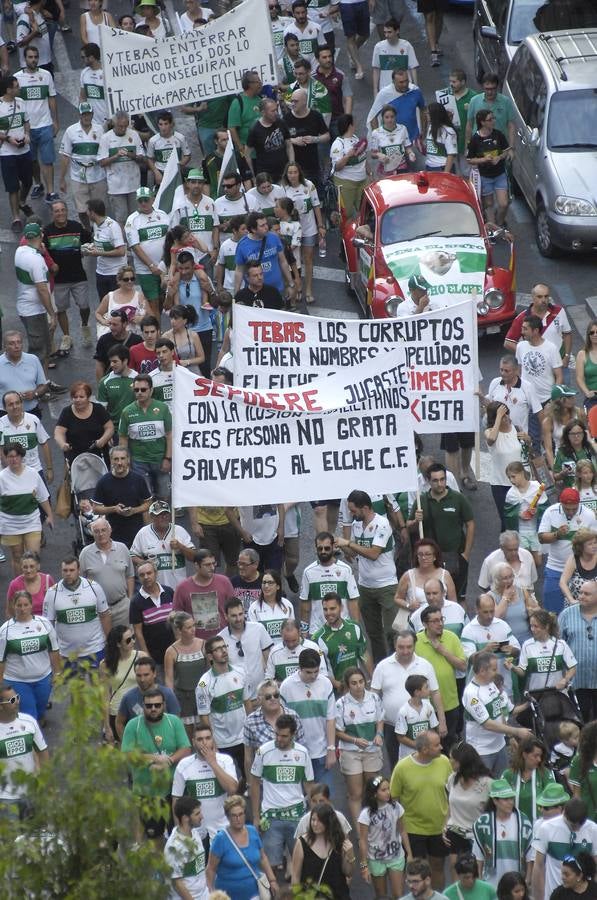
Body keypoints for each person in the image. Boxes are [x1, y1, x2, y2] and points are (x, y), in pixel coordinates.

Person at [333, 489, 397, 665]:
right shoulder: (356, 526)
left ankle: (398, 663)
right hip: (365, 586)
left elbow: (374, 553)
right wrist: (338, 545)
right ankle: (380, 666)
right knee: (373, 633)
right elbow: (353, 553)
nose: (351, 514)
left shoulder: (382, 524)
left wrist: (349, 543)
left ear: (366, 508)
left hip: (387, 585)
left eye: (354, 511)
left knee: (393, 630)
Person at [120, 686, 191, 843]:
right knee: (154, 837)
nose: (153, 709)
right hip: (147, 792)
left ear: (164, 705)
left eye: (157, 705)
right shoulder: (133, 725)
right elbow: (126, 755)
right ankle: (159, 864)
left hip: (174, 791)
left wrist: (169, 762)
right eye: (149, 706)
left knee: (179, 832)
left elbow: (186, 748)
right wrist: (154, 758)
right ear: (143, 706)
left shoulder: (174, 722)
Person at [250, 713, 314, 880]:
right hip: (271, 817)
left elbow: (309, 786)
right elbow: (255, 783)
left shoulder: (303, 753)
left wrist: (315, 814)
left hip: (297, 816)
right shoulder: (263, 752)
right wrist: (256, 817)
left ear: (293, 734)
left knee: (303, 863)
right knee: (270, 866)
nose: (279, 739)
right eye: (277, 734)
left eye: (284, 736)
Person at [372, 629, 446, 770]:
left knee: (427, 765)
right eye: (401, 647)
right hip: (392, 727)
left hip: (423, 726)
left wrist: (441, 721)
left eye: (409, 647)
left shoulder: (425, 665)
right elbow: (374, 697)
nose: (405, 651)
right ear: (394, 645)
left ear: (414, 645)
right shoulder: (382, 666)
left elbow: (435, 693)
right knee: (398, 767)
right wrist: (377, 728)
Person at [390, 730, 453, 889]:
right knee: (417, 871)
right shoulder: (402, 767)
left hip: (439, 828)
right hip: (413, 829)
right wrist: (398, 829)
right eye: (437, 745)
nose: (441, 747)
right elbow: (394, 799)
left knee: (437, 867)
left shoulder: (445, 762)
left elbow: (453, 791)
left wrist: (449, 820)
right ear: (425, 750)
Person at [411, 463, 475, 600]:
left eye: (442, 479)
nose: (440, 484)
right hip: (430, 560)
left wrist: (466, 554)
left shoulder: (458, 498)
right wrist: (416, 521)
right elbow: (409, 527)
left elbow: (470, 524)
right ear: (428, 481)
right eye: (435, 480)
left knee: (458, 597)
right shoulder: (421, 501)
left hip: (456, 557)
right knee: (433, 596)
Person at [462, 653, 532, 774]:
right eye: (494, 669)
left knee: (502, 785)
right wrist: (516, 732)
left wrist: (509, 737)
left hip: (499, 745)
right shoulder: (472, 693)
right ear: (482, 671)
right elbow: (487, 724)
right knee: (484, 786)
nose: (497, 672)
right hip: (482, 750)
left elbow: (500, 712)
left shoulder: (491, 685)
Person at [171, 722, 238, 845]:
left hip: (222, 828)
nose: (204, 742)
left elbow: (232, 789)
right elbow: (176, 800)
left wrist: (212, 762)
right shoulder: (183, 765)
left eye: (208, 738)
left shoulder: (225, 760)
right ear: (193, 742)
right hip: (195, 830)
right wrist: (179, 831)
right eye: (200, 739)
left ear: (213, 739)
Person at [195, 636, 252, 780]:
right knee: (229, 781)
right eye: (218, 649)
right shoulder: (203, 683)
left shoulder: (240, 672)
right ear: (210, 656)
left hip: (243, 737)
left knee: (249, 781)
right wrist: (212, 742)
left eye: (224, 647)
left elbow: (247, 702)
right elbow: (204, 716)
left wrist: (251, 731)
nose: (223, 651)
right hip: (222, 741)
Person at [43, 555, 111, 670]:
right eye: (65, 570)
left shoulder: (94, 587)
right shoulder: (52, 593)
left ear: (78, 570)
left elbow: (105, 616)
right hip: (66, 654)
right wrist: (54, 652)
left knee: (99, 686)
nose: (68, 573)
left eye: (71, 570)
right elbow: (48, 626)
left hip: (95, 649)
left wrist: (109, 643)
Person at [0, 589, 59, 721]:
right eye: (19, 605)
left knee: (40, 709)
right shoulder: (5, 630)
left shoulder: (44, 624)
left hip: (44, 678)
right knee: (30, 715)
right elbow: (1, 660)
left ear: (31, 605)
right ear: (13, 606)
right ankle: (32, 737)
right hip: (18, 680)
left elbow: (54, 650)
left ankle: (37, 720)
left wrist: (58, 673)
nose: (22, 609)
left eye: (26, 605)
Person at [205, 794, 279, 899]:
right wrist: (211, 892)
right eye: (234, 815)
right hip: (228, 895)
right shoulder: (220, 839)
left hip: (254, 893)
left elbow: (263, 857)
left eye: (241, 814)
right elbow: (211, 869)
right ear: (227, 817)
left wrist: (272, 880)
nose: (238, 818)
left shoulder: (252, 831)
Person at [335, 666, 385, 823]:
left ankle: (375, 822)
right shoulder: (341, 704)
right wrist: (355, 740)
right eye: (354, 683)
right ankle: (359, 831)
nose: (358, 686)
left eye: (361, 682)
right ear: (348, 685)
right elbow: (337, 731)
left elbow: (380, 720)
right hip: (351, 752)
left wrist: (379, 734)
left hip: (372, 750)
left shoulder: (374, 698)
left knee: (373, 790)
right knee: (355, 793)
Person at [43, 199, 93, 353]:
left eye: (63, 210)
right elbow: (43, 252)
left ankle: (84, 325)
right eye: (57, 211)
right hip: (58, 279)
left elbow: (88, 240)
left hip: (78, 275)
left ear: (66, 211)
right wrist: (51, 266)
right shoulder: (47, 231)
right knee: (61, 309)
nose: (60, 213)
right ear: (52, 214)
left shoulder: (76, 227)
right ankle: (66, 336)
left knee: (84, 306)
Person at [280, 647, 336, 784]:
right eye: (308, 672)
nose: (313, 676)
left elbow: (330, 719)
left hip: (321, 752)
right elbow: (282, 722)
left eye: (316, 671)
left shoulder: (326, 684)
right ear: (300, 668)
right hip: (296, 752)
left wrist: (331, 749)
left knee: (323, 799)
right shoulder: (286, 687)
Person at [415, 606, 466, 752]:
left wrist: (443, 651)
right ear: (425, 624)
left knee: (448, 745)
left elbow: (463, 666)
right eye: (435, 621)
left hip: (450, 703)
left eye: (441, 619)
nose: (440, 624)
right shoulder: (416, 641)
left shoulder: (451, 637)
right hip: (424, 705)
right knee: (426, 746)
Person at [539, 489, 597, 614]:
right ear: (561, 503)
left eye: (574, 509)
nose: (570, 512)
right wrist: (557, 534)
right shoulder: (551, 512)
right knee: (552, 613)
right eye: (567, 509)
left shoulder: (589, 515)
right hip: (555, 568)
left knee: (583, 612)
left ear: (579, 503)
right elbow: (541, 538)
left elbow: (595, 541)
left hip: (581, 571)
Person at [0, 442, 52, 575]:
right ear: (6, 458)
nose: (13, 459)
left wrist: (50, 515)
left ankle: (34, 585)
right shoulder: (1, 477)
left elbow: (43, 497)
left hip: (31, 521)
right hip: (10, 523)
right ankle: (20, 588)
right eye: (10, 456)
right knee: (17, 556)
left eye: (16, 456)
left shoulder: (33, 473)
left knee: (33, 555)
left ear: (21, 456)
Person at [14, 46, 58, 205]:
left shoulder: (46, 76)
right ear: (24, 59)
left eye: (35, 57)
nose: (33, 60)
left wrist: (55, 121)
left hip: (45, 124)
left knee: (48, 160)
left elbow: (52, 98)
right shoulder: (16, 78)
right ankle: (38, 183)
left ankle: (50, 191)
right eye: (30, 57)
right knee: (32, 160)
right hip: (27, 128)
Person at [118, 374, 172, 500]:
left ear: (151, 390)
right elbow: (123, 438)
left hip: (160, 460)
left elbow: (170, 435)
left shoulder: (163, 408)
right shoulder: (127, 411)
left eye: (143, 389)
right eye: (136, 390)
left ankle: (163, 520)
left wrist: (168, 459)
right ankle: (148, 521)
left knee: (164, 496)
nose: (139, 393)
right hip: (138, 462)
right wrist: (126, 461)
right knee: (144, 498)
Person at [532, 798, 597, 900]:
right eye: (572, 825)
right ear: (564, 814)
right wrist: (538, 898)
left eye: (580, 825)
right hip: (554, 895)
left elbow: (595, 865)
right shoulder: (547, 828)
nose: (577, 829)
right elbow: (538, 866)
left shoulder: (593, 829)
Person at [358, 774, 411, 898]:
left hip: (396, 856)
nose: (388, 792)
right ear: (374, 794)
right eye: (383, 790)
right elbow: (363, 841)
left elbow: (402, 830)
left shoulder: (396, 807)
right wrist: (364, 865)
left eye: (388, 789)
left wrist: (409, 854)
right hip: (376, 859)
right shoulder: (366, 814)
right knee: (381, 896)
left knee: (399, 895)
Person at [472, 779, 533, 886]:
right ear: (495, 801)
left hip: (516, 882)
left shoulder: (523, 821)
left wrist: (528, 879)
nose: (510, 802)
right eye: (505, 799)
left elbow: (530, 855)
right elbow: (478, 856)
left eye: (511, 798)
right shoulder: (483, 823)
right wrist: (479, 881)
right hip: (491, 882)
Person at [0, 681, 48, 816]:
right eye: (12, 700)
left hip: (31, 793)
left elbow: (43, 752)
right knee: (11, 837)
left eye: (17, 698)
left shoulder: (29, 721)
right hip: (5, 797)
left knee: (34, 835)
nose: (17, 702)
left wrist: (44, 781)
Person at [444, 744, 493, 877]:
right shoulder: (452, 779)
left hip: (477, 837)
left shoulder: (488, 783)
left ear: (462, 761)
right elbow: (450, 804)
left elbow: (493, 813)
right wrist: (445, 826)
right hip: (455, 834)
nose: (450, 761)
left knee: (475, 877)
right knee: (457, 879)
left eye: (452, 759)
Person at [280, 159, 325, 305]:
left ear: (299, 173)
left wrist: (320, 225)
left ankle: (308, 290)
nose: (292, 175)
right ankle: (297, 288)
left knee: (309, 258)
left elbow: (316, 206)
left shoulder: (309, 185)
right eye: (290, 173)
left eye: (295, 172)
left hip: (309, 227)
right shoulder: (284, 189)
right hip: (291, 230)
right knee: (294, 260)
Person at [14, 222, 56, 375]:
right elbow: (42, 290)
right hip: (34, 311)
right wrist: (52, 313)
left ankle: (43, 382)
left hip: (25, 307)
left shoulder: (20, 251)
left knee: (42, 349)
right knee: (40, 352)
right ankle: (37, 386)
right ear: (41, 235)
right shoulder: (36, 260)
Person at [77, 517, 134, 628]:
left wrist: (130, 599)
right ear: (92, 534)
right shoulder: (85, 553)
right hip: (97, 609)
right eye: (97, 531)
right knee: (102, 643)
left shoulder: (122, 548)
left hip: (122, 606)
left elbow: (130, 575)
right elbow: (80, 581)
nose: (101, 534)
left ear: (110, 530)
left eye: (103, 530)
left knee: (125, 642)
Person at [461, 594, 521, 698]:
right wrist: (485, 651)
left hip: (504, 687)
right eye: (485, 612)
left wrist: (511, 650)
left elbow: (518, 652)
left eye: (492, 611)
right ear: (477, 610)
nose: (489, 616)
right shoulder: (468, 630)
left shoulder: (503, 625)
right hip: (480, 692)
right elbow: (470, 659)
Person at [243, 676, 305, 777]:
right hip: (264, 779)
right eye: (268, 697)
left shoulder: (293, 716)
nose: (273, 699)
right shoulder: (250, 721)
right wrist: (250, 784)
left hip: (292, 776)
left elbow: (302, 748)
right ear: (259, 700)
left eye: (276, 695)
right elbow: (248, 758)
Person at [92, 445, 151, 548]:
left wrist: (133, 510)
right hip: (114, 534)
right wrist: (114, 509)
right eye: (116, 459)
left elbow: (148, 503)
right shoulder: (103, 482)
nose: (119, 463)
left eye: (122, 459)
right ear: (111, 461)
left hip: (137, 532)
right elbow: (96, 509)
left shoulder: (138, 479)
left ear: (128, 460)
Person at [291, 801, 354, 894]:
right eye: (313, 820)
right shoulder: (302, 843)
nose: (315, 824)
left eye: (320, 821)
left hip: (337, 894)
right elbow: (295, 876)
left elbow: (348, 872)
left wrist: (351, 855)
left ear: (328, 822)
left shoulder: (339, 840)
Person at [130, 499, 195, 591]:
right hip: (154, 589)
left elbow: (194, 557)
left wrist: (180, 547)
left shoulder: (179, 531)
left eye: (166, 514)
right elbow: (132, 555)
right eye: (159, 515)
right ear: (152, 517)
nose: (164, 517)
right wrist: (145, 564)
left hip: (179, 588)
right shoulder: (143, 533)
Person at [125, 187, 170, 316]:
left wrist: (163, 262)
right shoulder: (132, 220)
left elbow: (169, 240)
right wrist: (151, 265)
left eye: (146, 200)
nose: (143, 203)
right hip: (145, 270)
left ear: (153, 199)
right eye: (140, 201)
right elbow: (135, 246)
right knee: (153, 304)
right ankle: (156, 335)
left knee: (164, 302)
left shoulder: (163, 215)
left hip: (164, 267)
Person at [233, 212, 296, 304]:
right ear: (253, 229)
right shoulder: (242, 245)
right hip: (255, 293)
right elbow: (239, 271)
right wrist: (236, 296)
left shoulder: (274, 238)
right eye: (262, 226)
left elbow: (283, 262)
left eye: (266, 224)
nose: (266, 227)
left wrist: (291, 284)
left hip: (277, 290)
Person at [218, 598, 273, 700]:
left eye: (240, 614)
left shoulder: (258, 629)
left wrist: (269, 683)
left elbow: (269, 658)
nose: (238, 618)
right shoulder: (221, 638)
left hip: (260, 694)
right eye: (234, 616)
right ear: (226, 616)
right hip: (237, 695)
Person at [313, 592, 371, 689]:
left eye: (332, 608)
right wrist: (339, 686)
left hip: (357, 687)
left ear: (341, 608)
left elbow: (364, 654)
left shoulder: (354, 627)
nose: (328, 613)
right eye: (325, 609)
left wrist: (371, 679)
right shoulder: (317, 638)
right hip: (336, 691)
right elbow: (319, 670)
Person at [115, 655, 181, 739]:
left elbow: (177, 722)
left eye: (146, 675)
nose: (142, 679)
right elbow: (119, 723)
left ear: (154, 674)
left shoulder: (168, 694)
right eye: (139, 675)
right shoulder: (128, 697)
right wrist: (128, 743)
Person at [174, 550, 235, 641]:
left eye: (213, 563)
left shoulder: (224, 582)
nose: (212, 567)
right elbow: (176, 619)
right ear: (196, 566)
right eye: (207, 565)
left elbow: (233, 609)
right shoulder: (182, 587)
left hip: (223, 640)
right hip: (195, 642)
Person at [97, 112, 145, 227]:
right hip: (116, 187)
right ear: (114, 124)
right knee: (121, 218)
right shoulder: (106, 138)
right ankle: (124, 243)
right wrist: (116, 156)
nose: (123, 129)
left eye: (125, 125)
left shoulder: (134, 135)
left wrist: (130, 155)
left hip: (134, 184)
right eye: (120, 126)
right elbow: (102, 162)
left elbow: (142, 158)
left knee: (135, 217)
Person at [484, 402, 527, 529]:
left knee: (523, 518)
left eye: (507, 414)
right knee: (507, 520)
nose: (507, 418)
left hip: (520, 482)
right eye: (503, 416)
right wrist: (499, 416)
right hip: (500, 484)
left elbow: (524, 453)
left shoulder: (517, 429)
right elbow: (491, 440)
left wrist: (528, 440)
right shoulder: (490, 432)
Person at [514, 608, 577, 693]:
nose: (532, 629)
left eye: (536, 626)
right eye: (531, 626)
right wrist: (512, 667)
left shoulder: (560, 644)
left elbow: (572, 667)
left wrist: (565, 680)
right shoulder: (527, 645)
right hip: (536, 695)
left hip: (558, 693)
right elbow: (522, 672)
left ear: (546, 627)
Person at [466, 109, 512, 226]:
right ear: (482, 122)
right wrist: (484, 160)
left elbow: (506, 152)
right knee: (489, 204)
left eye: (493, 118)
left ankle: (500, 224)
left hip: (499, 174)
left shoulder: (498, 134)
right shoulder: (475, 139)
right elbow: (470, 159)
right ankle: (493, 228)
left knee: (503, 204)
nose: (493, 121)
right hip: (485, 176)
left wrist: (500, 157)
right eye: (490, 119)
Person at [0, 73, 33, 233]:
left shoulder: (21, 102)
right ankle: (16, 217)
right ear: (8, 90)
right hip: (7, 153)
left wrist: (27, 135)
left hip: (24, 150)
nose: (19, 89)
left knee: (27, 181)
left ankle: (22, 201)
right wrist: (8, 139)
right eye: (16, 87)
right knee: (13, 186)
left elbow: (26, 122)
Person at [560, 583, 597, 725]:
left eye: (587, 594)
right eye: (580, 592)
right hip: (576, 682)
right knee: (579, 724)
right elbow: (558, 646)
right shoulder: (567, 615)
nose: (581, 596)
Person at [0, 390, 52, 490]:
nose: (15, 407)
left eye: (17, 403)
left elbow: (44, 443)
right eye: (10, 404)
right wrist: (11, 472)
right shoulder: (0, 425)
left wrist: (49, 469)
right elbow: (1, 451)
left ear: (22, 404)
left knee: (44, 502)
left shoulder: (33, 420)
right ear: (5, 408)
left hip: (34, 470)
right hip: (10, 473)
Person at [54, 379, 113, 467]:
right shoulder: (67, 412)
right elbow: (59, 432)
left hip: (99, 454)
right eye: (75, 397)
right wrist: (63, 444)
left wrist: (103, 440)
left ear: (88, 397)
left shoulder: (98, 409)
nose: (78, 400)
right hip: (76, 457)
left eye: (81, 397)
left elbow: (110, 427)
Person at [396, 538, 457, 618]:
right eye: (420, 554)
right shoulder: (408, 576)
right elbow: (397, 598)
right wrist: (408, 605)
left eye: (428, 554)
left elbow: (453, 602)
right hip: (415, 620)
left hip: (441, 619)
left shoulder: (445, 575)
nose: (424, 557)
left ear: (434, 556)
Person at [129, 561, 174, 669]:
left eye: (149, 573)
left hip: (174, 651)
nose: (146, 577)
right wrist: (146, 655)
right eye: (142, 575)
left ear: (156, 573)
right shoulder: (136, 602)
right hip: (155, 655)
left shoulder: (169, 592)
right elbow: (138, 632)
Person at [98, 624, 139, 744]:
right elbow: (104, 696)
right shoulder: (105, 664)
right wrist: (107, 727)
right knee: (124, 750)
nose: (132, 641)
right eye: (128, 640)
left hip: (139, 710)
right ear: (118, 644)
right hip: (117, 712)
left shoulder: (140, 657)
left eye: (133, 637)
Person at [501, 737, 555, 825]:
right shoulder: (508, 775)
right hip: (513, 826)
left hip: (539, 827)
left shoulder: (545, 774)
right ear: (524, 755)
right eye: (535, 756)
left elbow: (553, 799)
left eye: (540, 756)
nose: (539, 760)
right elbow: (500, 801)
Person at [503, 462, 547, 568]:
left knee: (537, 562)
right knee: (523, 560)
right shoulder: (511, 494)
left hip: (534, 530)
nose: (511, 480)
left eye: (513, 476)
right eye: (509, 478)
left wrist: (537, 511)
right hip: (520, 531)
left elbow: (545, 507)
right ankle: (525, 580)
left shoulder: (536, 487)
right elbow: (508, 514)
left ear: (522, 473)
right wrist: (519, 514)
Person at [164, 796, 209, 900]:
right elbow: (177, 883)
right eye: (197, 814)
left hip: (203, 895)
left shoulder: (195, 833)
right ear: (185, 818)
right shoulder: (174, 847)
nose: (201, 816)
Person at [483, 354, 540, 435]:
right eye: (501, 370)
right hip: (499, 436)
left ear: (516, 370)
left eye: (506, 371)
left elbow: (538, 412)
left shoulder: (527, 387)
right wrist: (481, 398)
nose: (503, 373)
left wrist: (543, 435)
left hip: (519, 436)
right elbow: (490, 407)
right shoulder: (494, 383)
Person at [0, 331, 51, 418]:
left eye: (19, 342)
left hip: (31, 412)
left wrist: (34, 394)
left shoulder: (33, 359)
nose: (16, 346)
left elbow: (44, 386)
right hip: (6, 415)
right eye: (12, 343)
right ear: (5, 347)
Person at [86, 198, 127, 300]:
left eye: (87, 210)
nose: (86, 213)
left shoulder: (113, 227)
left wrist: (99, 252)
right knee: (104, 305)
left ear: (92, 213)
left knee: (117, 306)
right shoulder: (96, 225)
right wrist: (92, 247)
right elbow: (101, 244)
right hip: (101, 272)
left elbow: (121, 251)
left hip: (115, 274)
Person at [246, 99, 293, 183]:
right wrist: (253, 175)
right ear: (263, 112)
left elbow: (289, 145)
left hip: (284, 171)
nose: (276, 113)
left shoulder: (281, 123)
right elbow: (247, 154)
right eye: (273, 111)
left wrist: (292, 165)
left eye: (276, 109)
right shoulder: (255, 129)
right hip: (266, 174)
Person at [94, 264, 148, 338]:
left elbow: (149, 315)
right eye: (126, 279)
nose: (130, 281)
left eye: (132, 279)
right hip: (114, 333)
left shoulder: (139, 296)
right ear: (119, 281)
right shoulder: (110, 296)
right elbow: (98, 313)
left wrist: (141, 318)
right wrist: (103, 321)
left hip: (133, 334)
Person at [395, 673, 439, 760]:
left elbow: (434, 728)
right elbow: (400, 737)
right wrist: (418, 745)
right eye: (426, 687)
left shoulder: (428, 707)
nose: (429, 690)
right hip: (409, 756)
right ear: (417, 692)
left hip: (426, 754)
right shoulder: (403, 711)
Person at [466, 74, 516, 148]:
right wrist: (467, 146)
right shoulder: (474, 101)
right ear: (483, 87)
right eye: (487, 89)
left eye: (493, 89)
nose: (490, 92)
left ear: (497, 88)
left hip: (500, 146)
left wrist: (511, 147)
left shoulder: (506, 102)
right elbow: (469, 125)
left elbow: (511, 126)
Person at [265, 618, 322, 683]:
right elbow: (268, 679)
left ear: (300, 632)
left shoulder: (314, 647)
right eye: (287, 641)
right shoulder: (274, 652)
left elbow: (323, 673)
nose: (291, 644)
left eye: (294, 640)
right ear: (281, 633)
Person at [372, 19, 418, 93]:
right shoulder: (378, 47)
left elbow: (413, 68)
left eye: (389, 32)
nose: (386, 35)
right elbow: (376, 69)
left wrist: (416, 88)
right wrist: (375, 91)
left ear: (397, 31)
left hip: (405, 88)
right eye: (385, 32)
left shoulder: (407, 46)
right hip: (385, 89)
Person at [146, 110, 190, 188]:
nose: (163, 127)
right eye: (161, 124)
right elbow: (149, 158)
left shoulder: (180, 138)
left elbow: (187, 155)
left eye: (166, 124)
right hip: (160, 172)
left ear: (171, 124)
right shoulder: (153, 140)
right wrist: (156, 172)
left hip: (176, 172)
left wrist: (180, 165)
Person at [370, 103, 415, 176]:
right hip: (386, 170)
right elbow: (372, 154)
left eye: (392, 117)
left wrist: (411, 153)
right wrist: (379, 154)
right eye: (386, 117)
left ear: (396, 117)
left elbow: (407, 147)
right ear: (382, 118)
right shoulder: (376, 133)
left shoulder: (403, 129)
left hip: (402, 168)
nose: (390, 120)